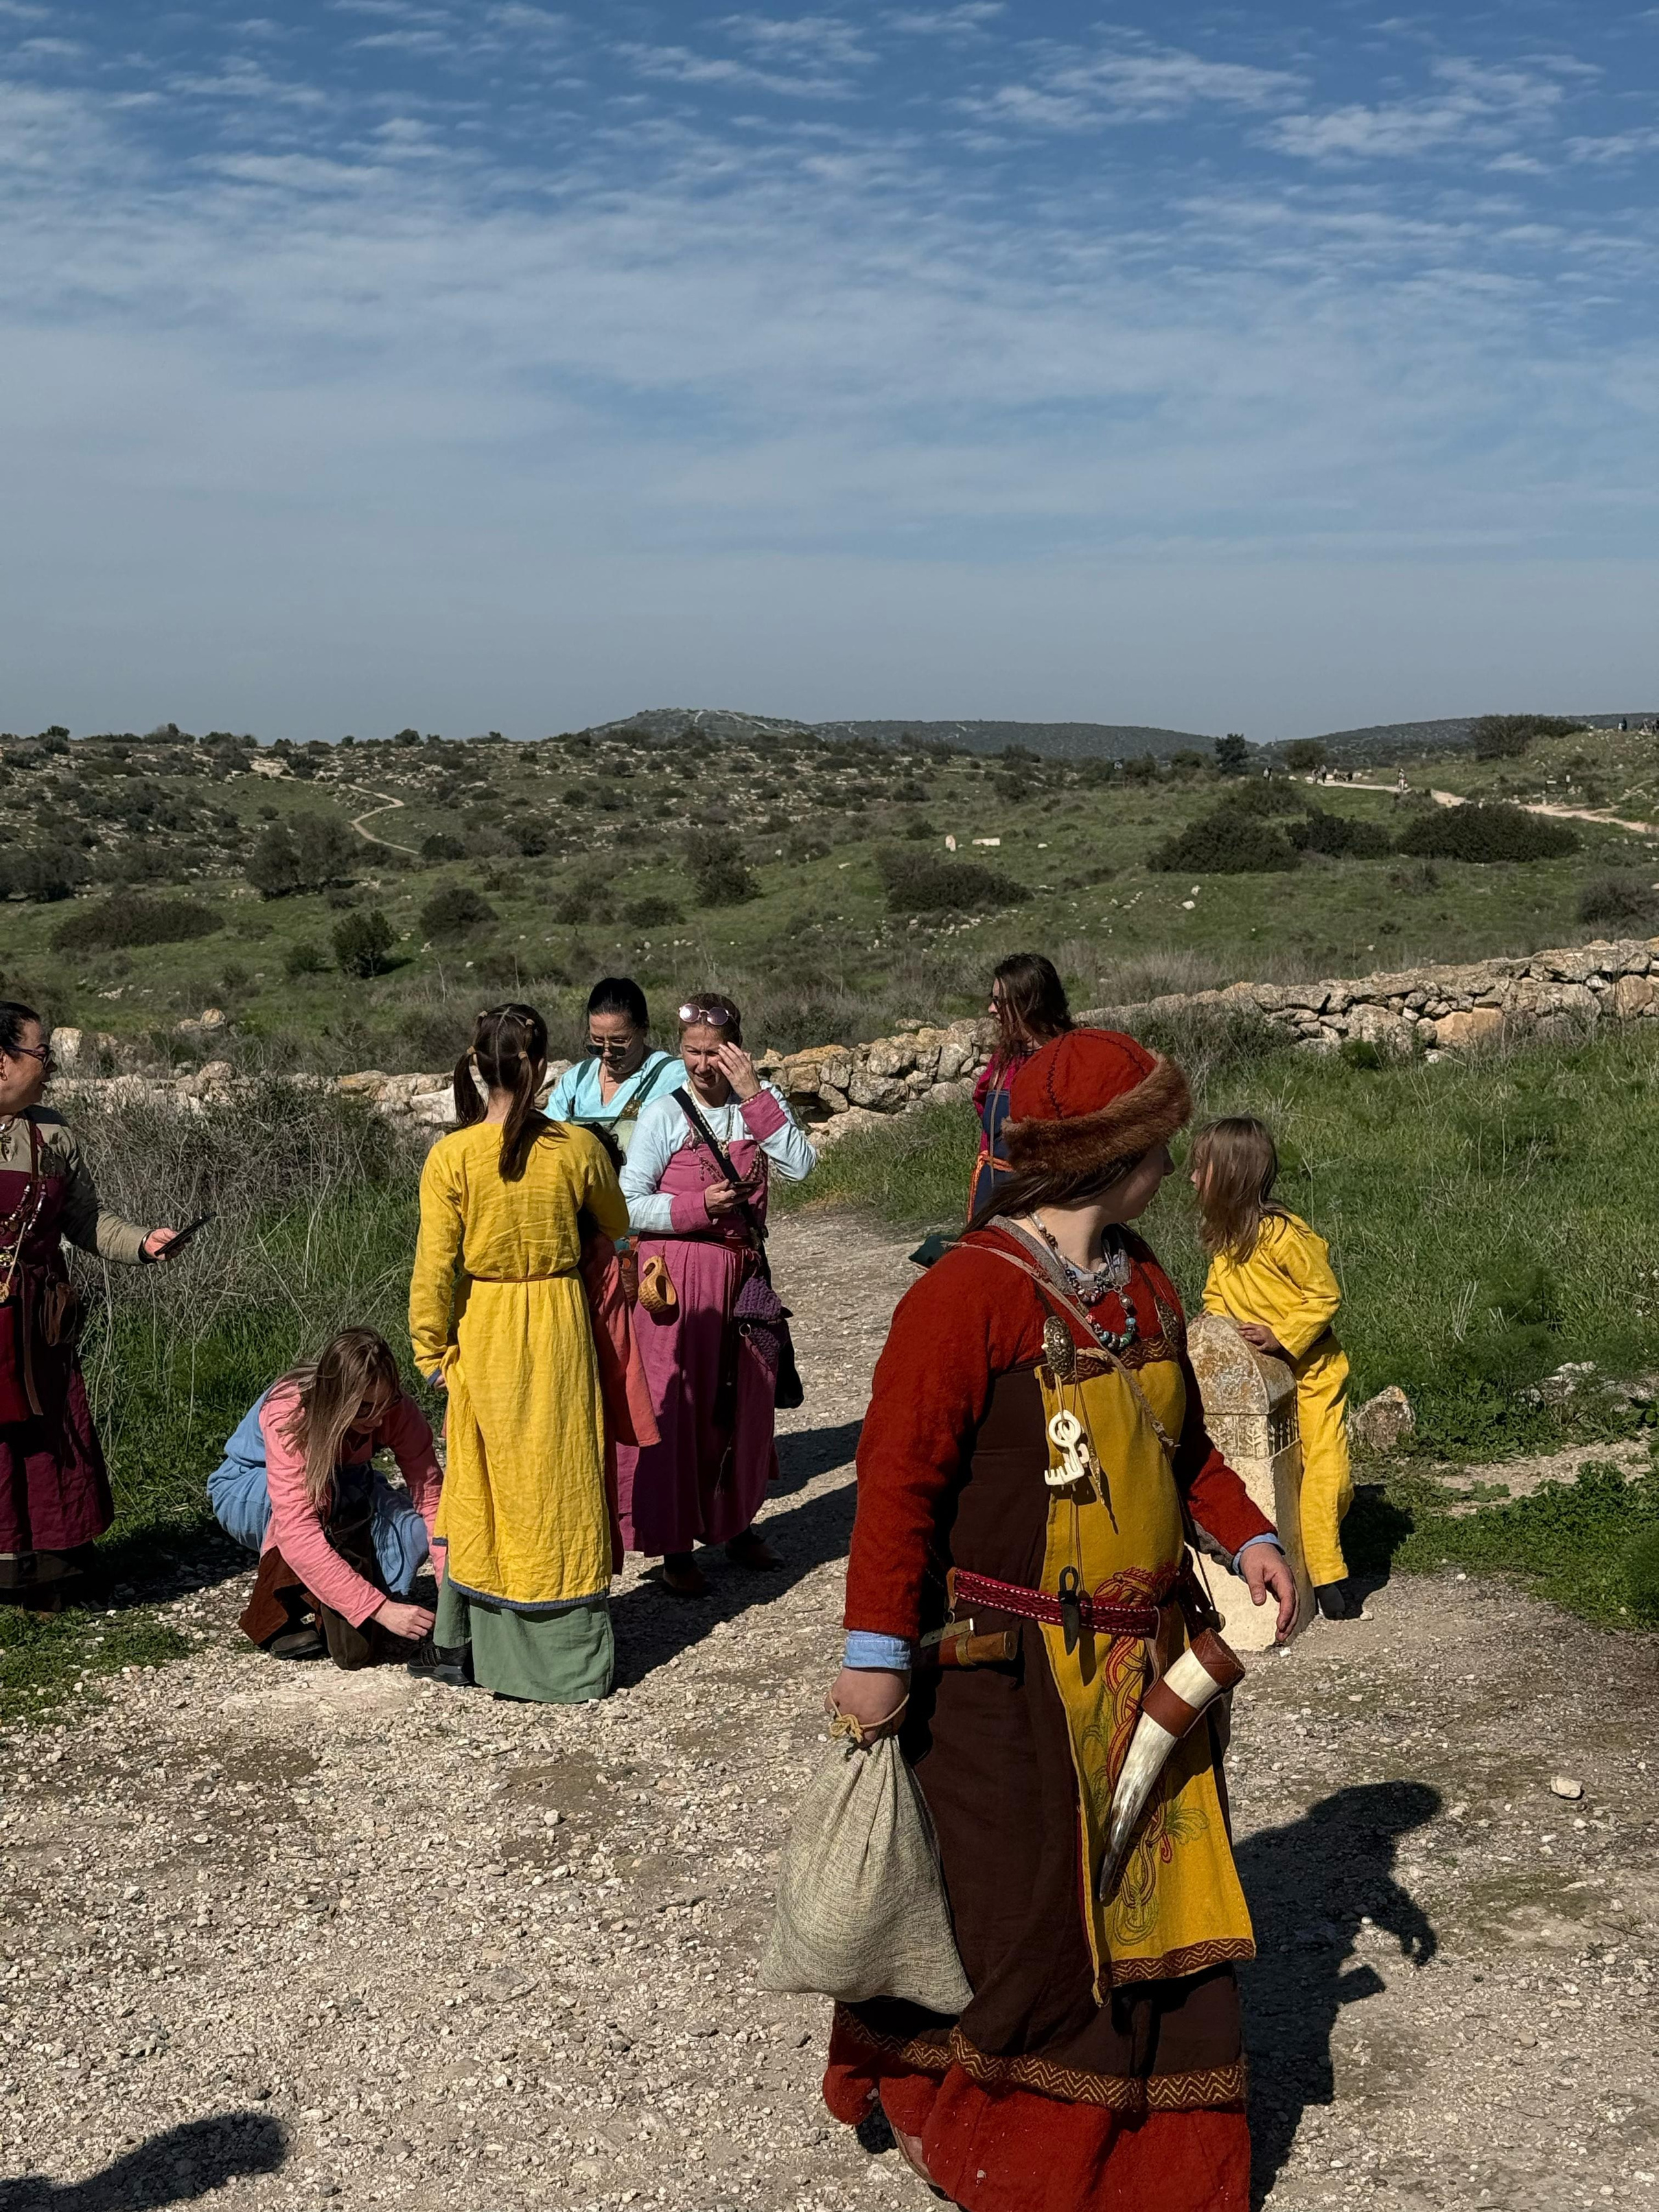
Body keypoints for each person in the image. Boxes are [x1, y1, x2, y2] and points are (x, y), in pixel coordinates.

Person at [823, 1029, 1297, 2212]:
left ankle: (1151, 2155)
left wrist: (1248, 1536)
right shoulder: (961, 1297)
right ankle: (992, 2135)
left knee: (1158, 1915)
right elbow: (897, 1491)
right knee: (1019, 1925)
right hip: (1001, 1680)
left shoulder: (1141, 1279)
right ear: (1114, 1157)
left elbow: (1180, 1449)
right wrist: (877, 1654)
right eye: (1156, 1142)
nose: (1173, 1159)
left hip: (1148, 1667)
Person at [410, 1002, 651, 1703]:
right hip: (558, 1326)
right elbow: (619, 1223)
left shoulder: (451, 1156)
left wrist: (432, 1352)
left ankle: (472, 1647)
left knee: (485, 1486)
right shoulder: (575, 1148)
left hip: (485, 1328)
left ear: (476, 1065)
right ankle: (570, 1660)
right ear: (543, 1069)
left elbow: (433, 1269)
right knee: (561, 1479)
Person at [617, 993, 817, 1598]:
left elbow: (801, 1166)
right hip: (677, 1282)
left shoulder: (760, 1104)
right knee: (680, 1407)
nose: (702, 1066)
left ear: (736, 1050)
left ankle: (737, 1523)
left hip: (743, 1274)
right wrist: (693, 1207)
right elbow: (625, 1201)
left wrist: (755, 1094)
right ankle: (674, 1543)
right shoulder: (662, 1114)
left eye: (714, 1053)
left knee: (744, 1404)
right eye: (692, 1053)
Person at [0, 1002, 181, 1608]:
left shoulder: (52, 1134)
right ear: (2, 1060)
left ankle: (47, 1568)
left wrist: (143, 1243)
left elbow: (85, 1219)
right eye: (40, 1053)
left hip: (40, 1324)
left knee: (50, 1437)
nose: (48, 1066)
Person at [1190, 1115, 1357, 1621]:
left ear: (1233, 1174)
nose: (1192, 1178)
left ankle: (1330, 1575)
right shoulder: (1227, 1241)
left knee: (1327, 1470)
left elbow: (1324, 1294)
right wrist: (1209, 1333)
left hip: (1313, 1369)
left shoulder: (1284, 1235)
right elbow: (1217, 1297)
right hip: (1262, 1378)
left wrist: (1282, 1335)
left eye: (1202, 1168)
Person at [222, 1326, 445, 1668]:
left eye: (384, 1404)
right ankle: (280, 1612)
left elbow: (432, 1502)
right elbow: (298, 1528)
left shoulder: (399, 1412)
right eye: (363, 1407)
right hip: (252, 1487)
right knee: (323, 1507)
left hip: (347, 1480)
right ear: (336, 1397)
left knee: (410, 1531)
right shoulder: (290, 1411)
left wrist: (451, 1587)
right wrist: (378, 1609)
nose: (376, 1417)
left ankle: (347, 1600)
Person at [969, 952, 1074, 1219]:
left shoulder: (1068, 1059)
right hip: (994, 1197)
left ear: (1028, 1004)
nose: (992, 1010)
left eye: (999, 1002)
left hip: (1045, 1203)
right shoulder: (1003, 1059)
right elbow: (987, 1115)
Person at [545, 978, 686, 1161]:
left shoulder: (673, 1077)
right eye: (596, 1043)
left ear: (644, 1029)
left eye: (618, 1043)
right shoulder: (575, 1081)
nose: (606, 1054)